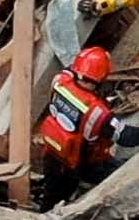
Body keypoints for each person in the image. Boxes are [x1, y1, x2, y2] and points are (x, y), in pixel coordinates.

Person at [33, 46, 121, 205]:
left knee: (51, 191)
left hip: (52, 151)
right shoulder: (98, 112)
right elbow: (129, 137)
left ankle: (48, 204)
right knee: (117, 173)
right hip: (77, 164)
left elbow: (70, 71)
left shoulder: (60, 80)